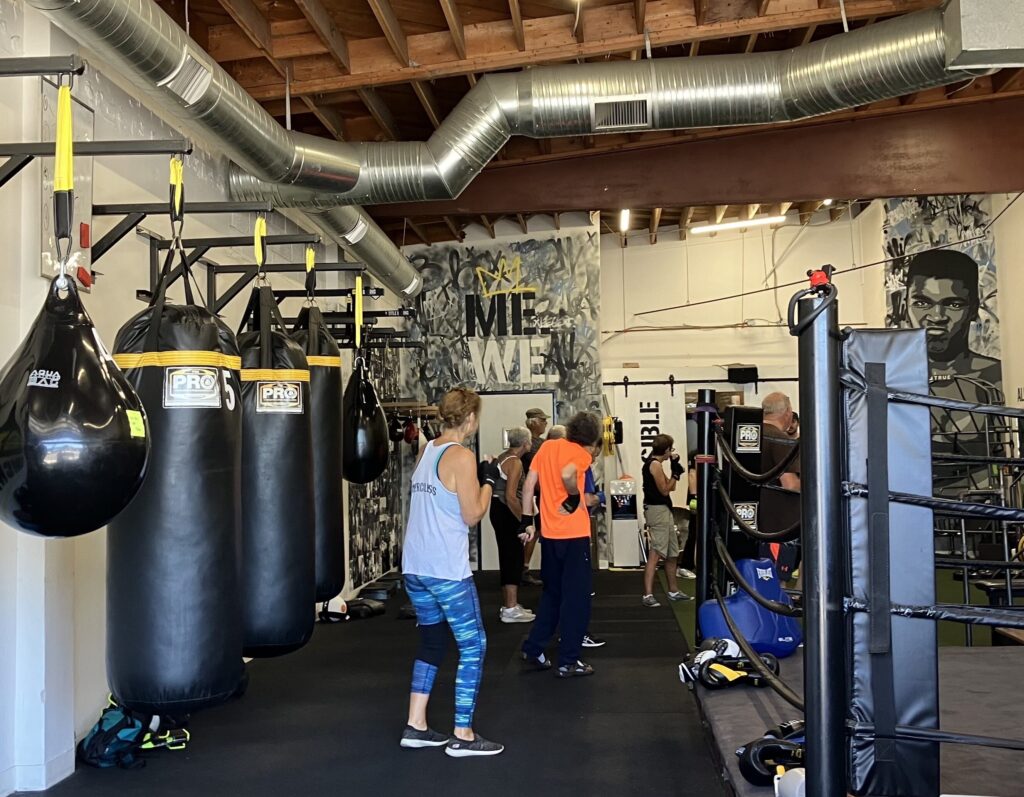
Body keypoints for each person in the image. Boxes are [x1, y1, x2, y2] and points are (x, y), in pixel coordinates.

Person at [400, 388, 503, 758]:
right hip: (445, 570)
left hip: (415, 567)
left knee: (432, 641)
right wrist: (490, 480)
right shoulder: (461, 456)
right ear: (471, 419)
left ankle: (416, 725)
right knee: (474, 645)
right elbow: (472, 514)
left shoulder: (426, 450)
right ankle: (463, 733)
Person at [519, 412, 603, 677]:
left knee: (553, 595)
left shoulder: (548, 446)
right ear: (592, 438)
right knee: (577, 600)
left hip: (551, 535)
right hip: (574, 536)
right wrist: (574, 495)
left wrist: (526, 520)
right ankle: (568, 660)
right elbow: (568, 474)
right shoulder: (581, 455)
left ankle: (534, 648)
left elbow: (529, 484)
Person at [489, 426, 535, 623]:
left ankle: (511, 604)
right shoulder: (515, 462)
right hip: (506, 511)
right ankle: (510, 608)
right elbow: (510, 496)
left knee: (509, 556)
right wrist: (524, 521)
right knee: (512, 557)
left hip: (498, 509)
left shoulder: (503, 456)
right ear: (526, 443)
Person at [641, 435, 691, 607]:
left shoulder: (658, 464)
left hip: (664, 510)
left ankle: (674, 591)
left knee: (672, 553)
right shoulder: (654, 465)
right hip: (657, 511)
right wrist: (676, 473)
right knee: (656, 553)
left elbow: (672, 487)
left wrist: (674, 468)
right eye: (671, 449)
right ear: (667, 450)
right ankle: (648, 595)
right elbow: (664, 490)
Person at [760, 392, 801, 581]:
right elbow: (790, 484)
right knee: (776, 581)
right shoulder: (781, 440)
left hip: (751, 521)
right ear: (787, 412)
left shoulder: (749, 435)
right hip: (779, 526)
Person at [520, 408, 551, 586]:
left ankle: (523, 568)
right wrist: (546, 492)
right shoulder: (533, 444)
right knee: (533, 530)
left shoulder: (536, 442)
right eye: (543, 420)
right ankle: (523, 568)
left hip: (534, 493)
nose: (546, 423)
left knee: (535, 530)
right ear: (535, 422)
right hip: (535, 494)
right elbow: (535, 473)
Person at [676, 450, 698, 580]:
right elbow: (692, 474)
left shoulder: (721, 449)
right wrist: (694, 497)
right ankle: (686, 566)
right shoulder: (699, 451)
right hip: (699, 498)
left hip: (712, 496)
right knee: (695, 531)